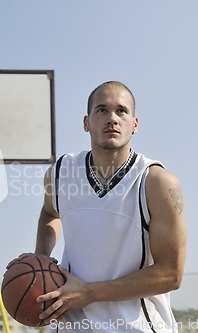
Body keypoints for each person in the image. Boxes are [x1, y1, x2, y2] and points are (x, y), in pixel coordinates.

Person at [33, 81, 186, 332]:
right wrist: (41, 259)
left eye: (121, 111)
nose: (112, 118)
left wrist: (90, 293)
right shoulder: (61, 173)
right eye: (102, 110)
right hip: (72, 326)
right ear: (86, 122)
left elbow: (171, 274)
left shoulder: (157, 183)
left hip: (135, 326)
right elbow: (50, 212)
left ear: (134, 124)